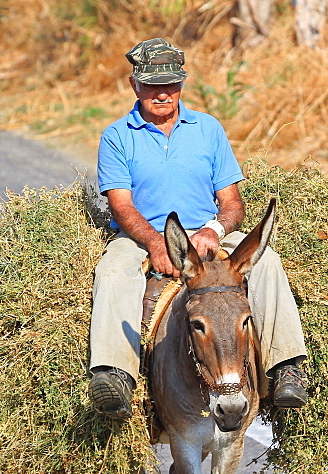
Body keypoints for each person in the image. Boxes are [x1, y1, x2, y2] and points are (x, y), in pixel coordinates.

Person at [88, 37, 308, 419]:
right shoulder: (117, 136)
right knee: (113, 269)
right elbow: (121, 207)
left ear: (182, 85)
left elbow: (232, 203)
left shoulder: (208, 129)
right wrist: (156, 243)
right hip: (144, 239)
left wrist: (214, 231)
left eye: (171, 84)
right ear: (134, 85)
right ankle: (114, 374)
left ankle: (285, 367)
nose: (162, 94)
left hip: (204, 235)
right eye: (153, 85)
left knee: (267, 261)